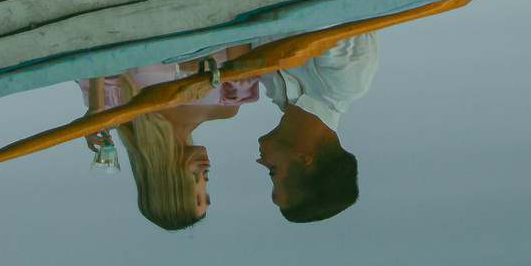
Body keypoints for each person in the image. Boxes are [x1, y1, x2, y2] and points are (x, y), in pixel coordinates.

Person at [73, 62, 250, 231]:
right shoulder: (227, 104)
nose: (205, 172)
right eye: (206, 181)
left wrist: (97, 106)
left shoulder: (116, 106)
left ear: (168, 181)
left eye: (194, 181)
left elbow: (96, 51)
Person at [254, 32, 377, 223]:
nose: (261, 161)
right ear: (302, 157)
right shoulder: (344, 81)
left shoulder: (276, 91)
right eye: (273, 170)